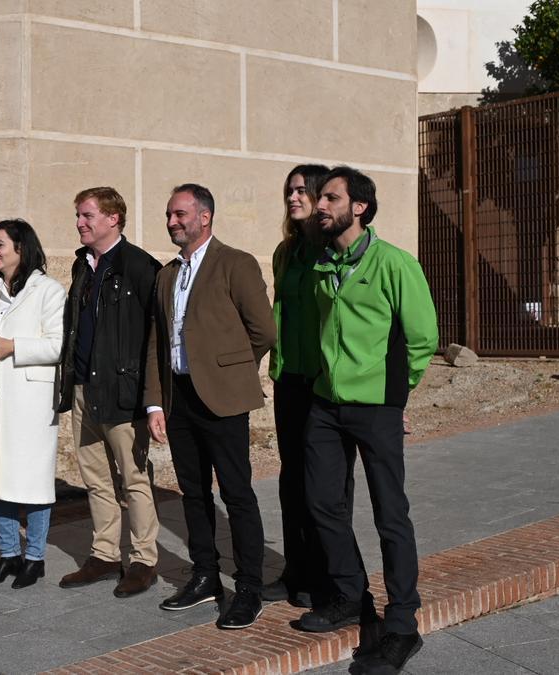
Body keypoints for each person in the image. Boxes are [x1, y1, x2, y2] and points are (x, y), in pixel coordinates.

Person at [298, 167, 438, 674]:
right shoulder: (323, 263)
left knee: (389, 513)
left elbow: (422, 338)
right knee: (321, 501)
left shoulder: (394, 263)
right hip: (325, 403)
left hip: (377, 407)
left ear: (359, 206)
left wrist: (395, 397)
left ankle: (402, 624)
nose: (320, 206)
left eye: (330, 198)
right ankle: (354, 601)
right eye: (321, 198)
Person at [144, 184, 276, 629]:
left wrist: (231, 372)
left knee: (237, 495)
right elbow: (156, 344)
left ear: (205, 217)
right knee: (193, 493)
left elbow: (264, 331)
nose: (172, 222)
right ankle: (205, 577)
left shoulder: (234, 263)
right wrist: (155, 403)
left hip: (222, 400)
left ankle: (250, 588)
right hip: (178, 399)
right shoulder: (166, 275)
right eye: (168, 215)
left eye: (179, 214)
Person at [56, 187, 162, 597]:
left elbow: (155, 334)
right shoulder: (81, 266)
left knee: (133, 478)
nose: (80, 223)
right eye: (79, 216)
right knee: (96, 479)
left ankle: (143, 560)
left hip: (122, 392)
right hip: (84, 388)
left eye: (87, 216)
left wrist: (150, 395)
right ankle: (103, 555)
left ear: (112, 218)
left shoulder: (141, 267)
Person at [0, 219, 67, 589]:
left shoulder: (49, 290)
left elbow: (57, 346)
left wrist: (13, 346)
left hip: (30, 400)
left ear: (20, 248)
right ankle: (9, 555)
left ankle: (35, 558)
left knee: (32, 480)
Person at [262, 164, 336, 608]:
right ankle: (295, 571)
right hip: (289, 378)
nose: (292, 197)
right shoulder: (284, 252)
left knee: (323, 484)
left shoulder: (333, 250)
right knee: (291, 481)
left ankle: (325, 575)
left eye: (301, 190)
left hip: (326, 383)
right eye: (288, 190)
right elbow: (279, 311)